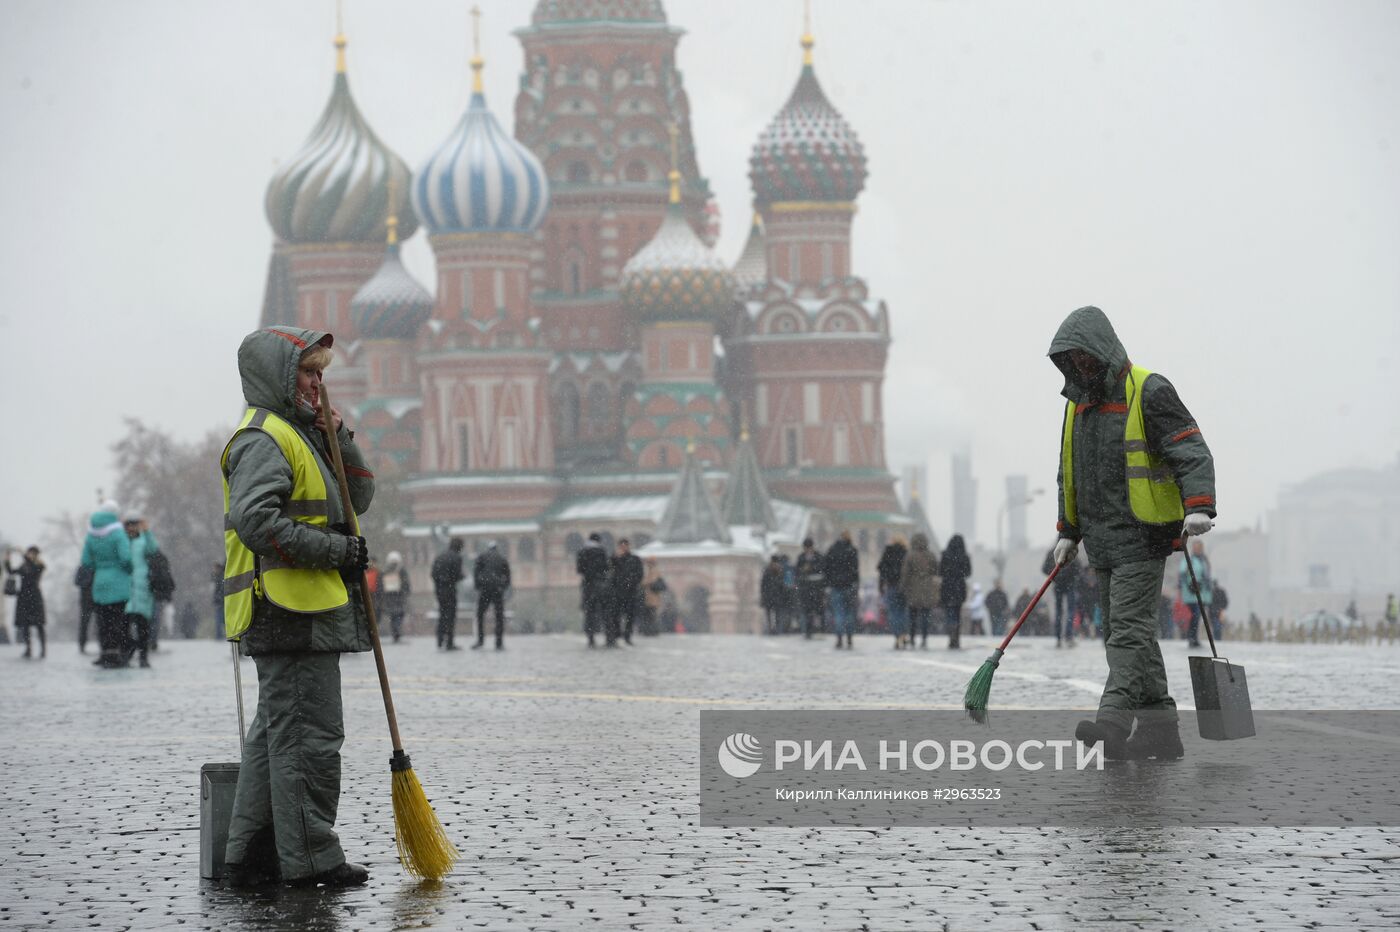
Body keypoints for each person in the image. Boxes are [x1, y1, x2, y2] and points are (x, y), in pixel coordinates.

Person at [220, 325, 374, 889]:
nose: (318, 383)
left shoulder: (301, 432)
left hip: (299, 612)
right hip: (288, 612)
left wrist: (341, 435)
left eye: (320, 373)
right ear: (280, 377)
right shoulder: (265, 438)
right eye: (308, 373)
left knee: (275, 739)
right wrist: (339, 551)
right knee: (309, 738)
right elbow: (256, 521)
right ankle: (311, 858)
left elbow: (358, 497)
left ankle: (248, 853)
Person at [1048, 305, 1216, 762]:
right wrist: (1068, 530)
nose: (1080, 366)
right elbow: (1070, 472)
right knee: (1127, 634)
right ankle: (1162, 732)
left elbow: (1191, 450)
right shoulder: (1077, 406)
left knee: (1127, 633)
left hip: (1144, 537)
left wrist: (1199, 506)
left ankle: (1113, 723)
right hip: (1100, 541)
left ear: (1102, 350)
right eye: (1072, 359)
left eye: (1084, 357)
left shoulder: (1149, 390)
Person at [81, 499, 133, 669]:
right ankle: (119, 654)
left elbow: (86, 561)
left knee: (103, 620)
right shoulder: (118, 533)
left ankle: (106, 653)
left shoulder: (91, 534)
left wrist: (100, 566)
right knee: (119, 620)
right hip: (118, 581)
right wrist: (128, 569)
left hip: (99, 583)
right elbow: (126, 558)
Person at [121, 514, 160, 668]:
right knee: (124, 626)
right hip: (126, 589)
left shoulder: (143, 540)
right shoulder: (122, 541)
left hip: (143, 588)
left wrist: (147, 531)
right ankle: (128, 652)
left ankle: (143, 656)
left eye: (134, 524)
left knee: (143, 626)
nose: (131, 528)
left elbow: (154, 549)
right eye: (128, 525)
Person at [899, 533, 940, 649]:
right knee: (925, 616)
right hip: (927, 589)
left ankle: (912, 638)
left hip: (913, 589)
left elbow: (905, 573)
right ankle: (924, 638)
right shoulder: (930, 555)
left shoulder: (910, 555)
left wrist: (903, 587)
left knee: (912, 616)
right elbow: (936, 570)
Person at [6, 547, 46, 659]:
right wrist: (7, 559)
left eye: (32, 553)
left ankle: (43, 650)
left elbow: (34, 571)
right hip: (23, 598)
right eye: (29, 553)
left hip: (35, 598)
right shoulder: (23, 566)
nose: (30, 555)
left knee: (39, 625)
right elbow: (11, 571)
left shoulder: (39, 565)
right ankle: (28, 649)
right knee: (25, 625)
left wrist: (23, 555)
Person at [824, 531, 860, 649]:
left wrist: (829, 581)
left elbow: (826, 568)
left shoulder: (833, 549)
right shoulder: (852, 550)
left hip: (836, 586)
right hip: (849, 585)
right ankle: (849, 638)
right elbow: (855, 570)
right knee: (849, 613)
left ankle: (839, 638)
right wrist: (856, 584)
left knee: (838, 613)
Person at [472, 542, 511, 650]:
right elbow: (507, 575)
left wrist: (478, 586)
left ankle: (480, 641)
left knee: (480, 615)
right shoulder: (502, 558)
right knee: (499, 616)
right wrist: (503, 587)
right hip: (497, 590)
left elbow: (476, 571)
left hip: (485, 589)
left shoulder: (482, 557)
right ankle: (499, 642)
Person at [575, 532, 611, 647]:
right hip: (601, 584)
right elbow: (606, 567)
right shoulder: (601, 551)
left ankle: (591, 638)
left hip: (588, 585)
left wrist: (588, 572)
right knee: (605, 611)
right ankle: (609, 637)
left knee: (589, 612)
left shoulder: (582, 552)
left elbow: (579, 569)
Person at [1042, 545, 1081, 647]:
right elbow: (1078, 567)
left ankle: (1059, 637)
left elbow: (1044, 568)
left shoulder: (1052, 552)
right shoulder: (1069, 549)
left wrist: (1055, 576)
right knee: (1070, 610)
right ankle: (1068, 636)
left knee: (1059, 610)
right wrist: (1072, 576)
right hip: (1069, 584)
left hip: (1059, 584)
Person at [1177, 540, 1213, 648]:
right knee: (1196, 614)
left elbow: (1207, 576)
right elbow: (1182, 574)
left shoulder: (1204, 560)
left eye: (1199, 547)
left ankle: (1194, 638)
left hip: (1203, 593)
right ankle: (1191, 637)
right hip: (1191, 593)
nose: (1198, 549)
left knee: (1198, 616)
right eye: (1196, 547)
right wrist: (1189, 585)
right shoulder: (1189, 559)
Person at [431, 538, 465, 650]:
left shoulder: (440, 556)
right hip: (450, 590)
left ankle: (440, 640)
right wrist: (460, 577)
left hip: (440, 590)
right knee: (450, 616)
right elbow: (457, 575)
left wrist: (439, 583)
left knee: (442, 614)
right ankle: (449, 642)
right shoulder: (457, 557)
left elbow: (433, 574)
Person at [877, 536, 910, 649]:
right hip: (904, 587)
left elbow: (882, 571)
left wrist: (881, 587)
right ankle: (904, 634)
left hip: (891, 586)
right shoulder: (906, 553)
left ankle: (897, 636)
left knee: (893, 612)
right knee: (903, 612)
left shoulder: (888, 553)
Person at [939, 534, 971, 649]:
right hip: (959, 587)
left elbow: (940, 571)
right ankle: (956, 637)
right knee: (957, 613)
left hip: (947, 586)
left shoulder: (945, 555)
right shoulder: (964, 556)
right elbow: (968, 573)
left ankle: (951, 635)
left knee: (949, 612)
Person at [610, 538, 643, 645]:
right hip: (617, 592)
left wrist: (631, 582)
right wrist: (615, 558)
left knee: (630, 615)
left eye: (625, 545)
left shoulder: (635, 559)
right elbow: (609, 571)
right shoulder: (614, 559)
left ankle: (628, 635)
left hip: (631, 592)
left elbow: (639, 574)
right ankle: (617, 633)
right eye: (621, 546)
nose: (623, 548)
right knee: (616, 615)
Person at [377, 551, 411, 643]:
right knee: (398, 615)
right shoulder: (401, 570)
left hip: (390, 598)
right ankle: (396, 632)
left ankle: (395, 632)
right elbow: (406, 583)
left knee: (394, 616)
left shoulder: (385, 571)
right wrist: (406, 591)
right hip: (398, 597)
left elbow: (380, 585)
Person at [795, 538, 825, 639]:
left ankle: (820, 630)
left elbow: (823, 570)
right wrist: (803, 571)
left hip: (817, 588)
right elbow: (797, 572)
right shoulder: (801, 558)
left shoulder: (819, 556)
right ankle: (808, 631)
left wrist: (811, 568)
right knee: (807, 611)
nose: (807, 550)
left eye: (809, 548)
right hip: (805, 589)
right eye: (806, 548)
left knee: (818, 610)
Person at [640, 557, 667, 636]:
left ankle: (652, 630)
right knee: (649, 615)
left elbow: (648, 581)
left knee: (651, 615)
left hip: (653, 598)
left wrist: (645, 582)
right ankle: (649, 630)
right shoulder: (649, 571)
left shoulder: (654, 571)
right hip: (649, 598)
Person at [760, 556, 786, 636]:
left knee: (778, 614)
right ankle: (770, 629)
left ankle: (777, 629)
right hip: (769, 596)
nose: (775, 564)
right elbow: (763, 585)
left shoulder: (780, 571)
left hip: (777, 596)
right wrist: (763, 595)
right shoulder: (767, 571)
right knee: (768, 614)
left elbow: (782, 585)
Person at [75, 561, 95, 653]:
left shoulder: (97, 565)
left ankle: (104, 645)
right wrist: (89, 581)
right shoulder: (83, 567)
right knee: (84, 623)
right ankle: (82, 644)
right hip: (86, 600)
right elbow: (76, 581)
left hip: (97, 598)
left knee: (101, 623)